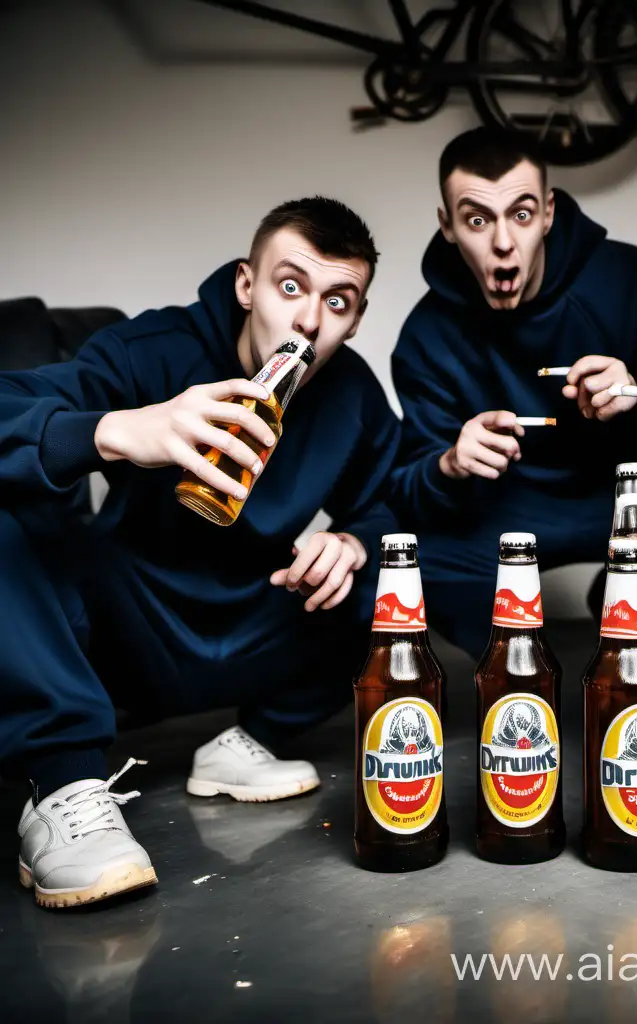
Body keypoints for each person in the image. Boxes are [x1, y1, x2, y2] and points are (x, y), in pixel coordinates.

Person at [0, 196, 399, 907]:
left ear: (357, 318)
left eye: (337, 301)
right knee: (12, 509)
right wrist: (119, 430)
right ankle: (62, 783)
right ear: (247, 285)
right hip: (127, 632)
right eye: (290, 286)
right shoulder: (153, 349)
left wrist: (353, 541)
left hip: (258, 625)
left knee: (395, 572)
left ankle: (248, 745)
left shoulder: (353, 393)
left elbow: (399, 497)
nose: (309, 320)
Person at [389, 127, 637, 657]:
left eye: (522, 214)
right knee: (411, 564)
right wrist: (451, 464)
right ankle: (523, 672)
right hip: (508, 509)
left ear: (549, 213)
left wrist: (635, 404)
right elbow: (409, 491)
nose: (503, 243)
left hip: (629, 496)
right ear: (447, 225)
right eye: (477, 220)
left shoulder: (632, 283)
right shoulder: (426, 336)